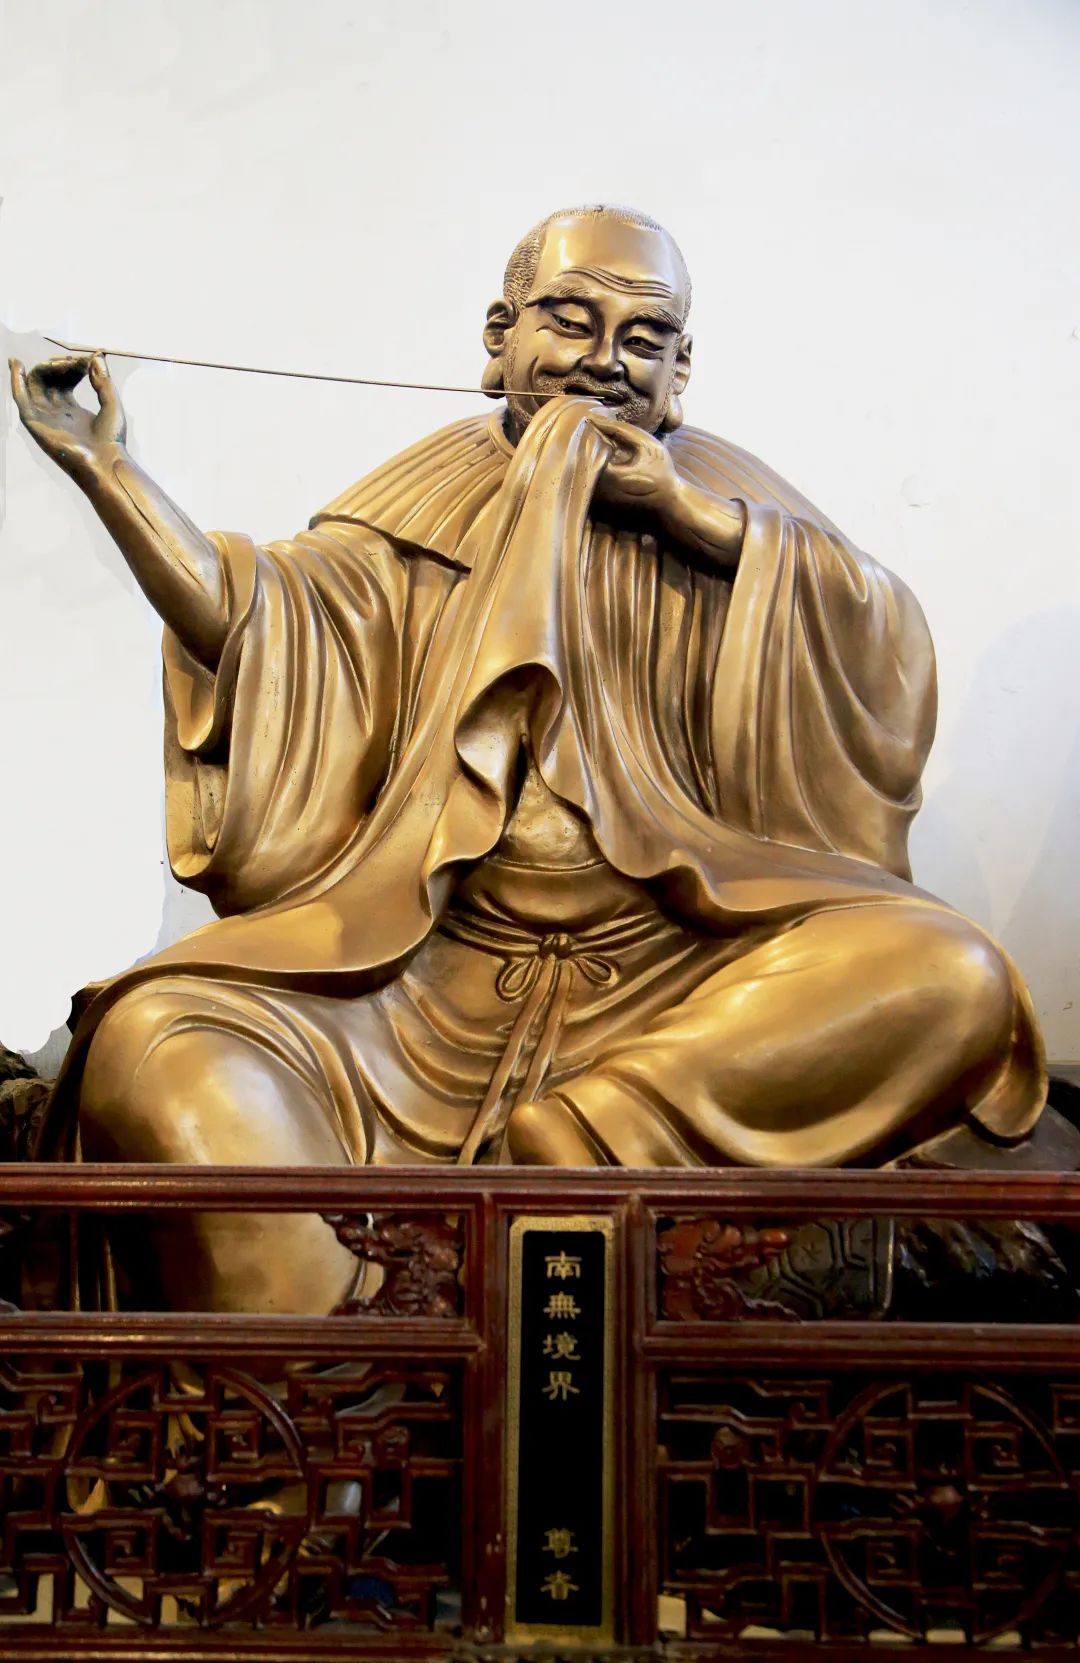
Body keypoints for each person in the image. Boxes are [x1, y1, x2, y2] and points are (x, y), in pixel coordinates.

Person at [8, 205, 1045, 1314]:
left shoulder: (735, 515)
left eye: (644, 339)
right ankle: (338, 1362)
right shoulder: (410, 512)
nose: (605, 360)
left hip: (683, 989)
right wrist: (106, 470)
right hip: (410, 986)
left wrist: (697, 521)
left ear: (682, 372)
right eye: (570, 320)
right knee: (155, 1038)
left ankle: (586, 1145)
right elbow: (252, 622)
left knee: (954, 972)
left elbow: (881, 643)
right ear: (499, 338)